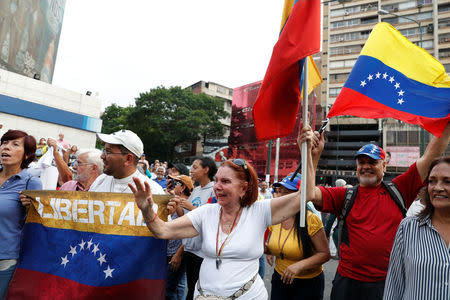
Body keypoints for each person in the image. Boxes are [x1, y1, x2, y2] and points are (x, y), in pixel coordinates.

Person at [130, 126, 320, 299]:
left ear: (244, 188)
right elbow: (162, 231)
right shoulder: (206, 213)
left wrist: (309, 155)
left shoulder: (260, 211)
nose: (217, 187)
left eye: (226, 182)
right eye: (217, 180)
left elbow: (307, 194)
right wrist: (147, 211)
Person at [305, 123, 450, 300]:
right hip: (347, 283)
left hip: (386, 283)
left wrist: (447, 123)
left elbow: (430, 156)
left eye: (372, 162)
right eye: (362, 162)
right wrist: (313, 156)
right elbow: (309, 193)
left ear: (384, 166)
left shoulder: (400, 189)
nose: (366, 166)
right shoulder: (344, 195)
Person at [383, 156, 450, 300]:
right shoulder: (407, 228)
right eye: (432, 181)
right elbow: (394, 285)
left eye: (447, 181)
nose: (438, 187)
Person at [266, 174, 330, 300]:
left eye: (285, 193)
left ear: (299, 196)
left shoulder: (311, 219)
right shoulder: (275, 217)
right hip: (279, 279)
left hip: (308, 284)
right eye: (278, 192)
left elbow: (324, 254)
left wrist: (299, 266)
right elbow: (277, 241)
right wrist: (270, 250)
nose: (278, 196)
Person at [0, 130, 42, 298]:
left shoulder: (31, 183)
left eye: (14, 144)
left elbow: (38, 225)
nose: (6, 147)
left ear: (27, 155)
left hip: (5, 260)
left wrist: (30, 209)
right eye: (4, 143)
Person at [180, 157, 217, 300]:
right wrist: (177, 203)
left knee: (199, 292)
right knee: (191, 289)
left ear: (206, 169)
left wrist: (192, 207)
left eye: (195, 167)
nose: (191, 170)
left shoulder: (214, 190)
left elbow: (213, 218)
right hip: (190, 248)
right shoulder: (195, 191)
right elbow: (186, 218)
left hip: (203, 253)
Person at [89, 129, 164, 195]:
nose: (102, 156)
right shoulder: (100, 181)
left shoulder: (153, 192)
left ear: (128, 159)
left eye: (108, 152)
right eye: (104, 150)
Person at [166, 175, 194, 300]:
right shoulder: (178, 201)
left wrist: (178, 254)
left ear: (183, 187)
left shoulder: (189, 203)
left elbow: (188, 231)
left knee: (170, 288)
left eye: (175, 182)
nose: (172, 184)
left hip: (178, 252)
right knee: (177, 285)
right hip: (171, 250)